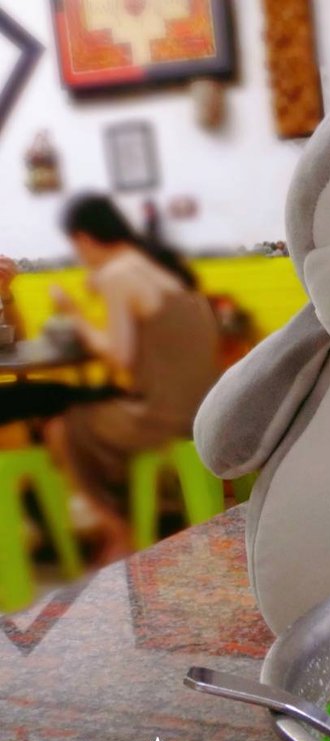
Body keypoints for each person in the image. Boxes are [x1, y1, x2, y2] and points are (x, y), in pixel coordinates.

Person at [39, 194, 220, 562]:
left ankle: (118, 533)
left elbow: (117, 355)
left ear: (83, 239)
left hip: (161, 415)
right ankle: (151, 509)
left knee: (61, 428)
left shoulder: (118, 274)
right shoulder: (156, 266)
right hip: (202, 407)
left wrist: (74, 312)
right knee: (100, 408)